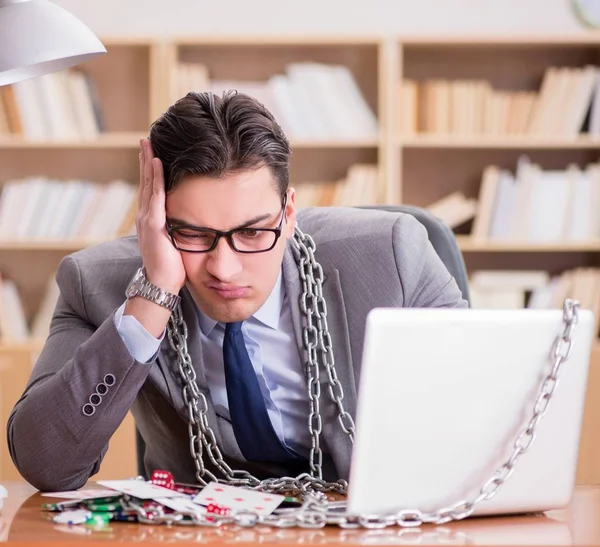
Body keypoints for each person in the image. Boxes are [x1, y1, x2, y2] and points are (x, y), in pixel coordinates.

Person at [7, 90, 468, 492]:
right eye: (191, 234)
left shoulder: (392, 255)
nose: (224, 269)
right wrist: (153, 294)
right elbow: (47, 465)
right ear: (156, 222)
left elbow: (480, 418)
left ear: (288, 213)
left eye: (251, 233)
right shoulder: (96, 284)